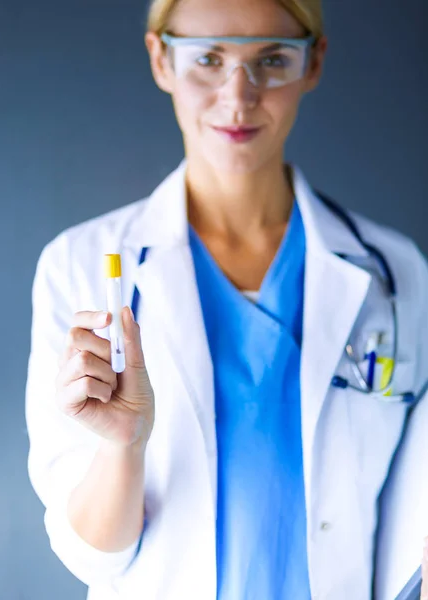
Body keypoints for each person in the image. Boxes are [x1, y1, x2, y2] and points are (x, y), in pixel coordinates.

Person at [25, 0, 428, 598]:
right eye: (208, 58)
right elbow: (93, 557)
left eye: (271, 59)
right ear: (161, 58)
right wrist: (124, 446)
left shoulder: (396, 273)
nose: (238, 98)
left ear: (313, 62)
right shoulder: (80, 266)